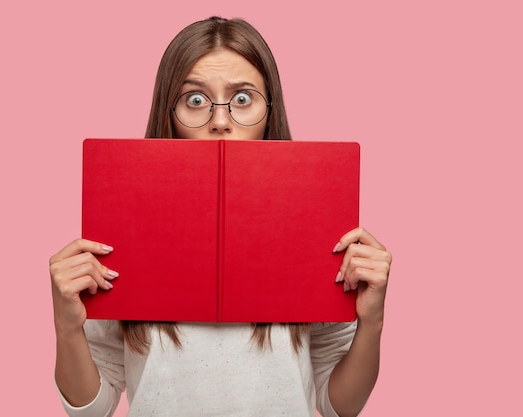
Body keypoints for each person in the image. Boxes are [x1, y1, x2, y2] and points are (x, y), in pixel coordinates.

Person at [50, 16, 391, 417]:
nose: (221, 121)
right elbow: (91, 410)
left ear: (270, 110)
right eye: (195, 100)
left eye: (243, 98)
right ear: (168, 112)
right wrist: (66, 325)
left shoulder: (317, 227)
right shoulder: (121, 230)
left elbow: (339, 408)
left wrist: (372, 323)